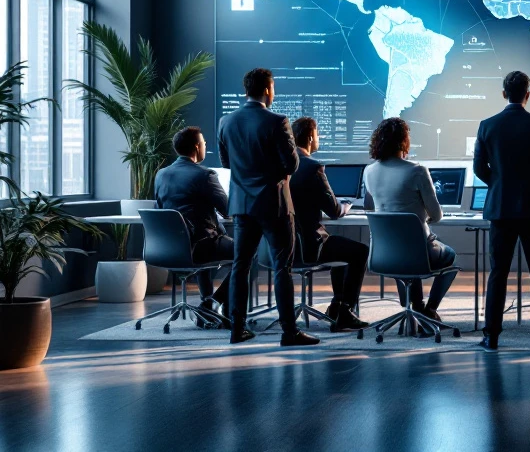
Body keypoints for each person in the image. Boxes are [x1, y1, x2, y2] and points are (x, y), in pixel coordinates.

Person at [218, 68, 318, 347]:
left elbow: (227, 163)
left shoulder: (226, 121)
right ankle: (289, 332)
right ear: (267, 89)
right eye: (273, 88)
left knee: (240, 267)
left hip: (242, 205)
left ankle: (237, 329)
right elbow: (292, 165)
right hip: (274, 205)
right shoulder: (277, 121)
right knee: (281, 268)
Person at [474, 71, 530, 353]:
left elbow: (479, 169)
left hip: (500, 208)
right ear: (527, 94)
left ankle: (491, 337)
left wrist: (500, 184)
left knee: (498, 272)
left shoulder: (487, 125)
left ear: (504, 94)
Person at [363, 117, 459, 325]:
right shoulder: (417, 171)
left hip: (384, 255)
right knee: (449, 255)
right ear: (405, 141)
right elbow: (437, 215)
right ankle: (428, 310)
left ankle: (414, 307)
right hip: (419, 254)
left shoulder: (368, 171)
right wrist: (423, 219)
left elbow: (370, 208)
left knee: (405, 250)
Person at [289, 117, 369, 333]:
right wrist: (346, 206)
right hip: (309, 247)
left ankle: (336, 306)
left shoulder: (280, 166)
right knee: (359, 251)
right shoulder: (313, 167)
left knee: (339, 248)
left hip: (284, 247)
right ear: (309, 137)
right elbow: (334, 212)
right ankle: (344, 310)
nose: (319, 138)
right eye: (318, 135)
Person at [153, 126, 232, 328]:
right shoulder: (205, 175)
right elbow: (228, 210)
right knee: (247, 252)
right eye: (204, 142)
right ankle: (214, 302)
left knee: (204, 241)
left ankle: (208, 307)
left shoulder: (161, 175)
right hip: (199, 246)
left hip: (168, 248)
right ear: (197, 147)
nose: (206, 145)